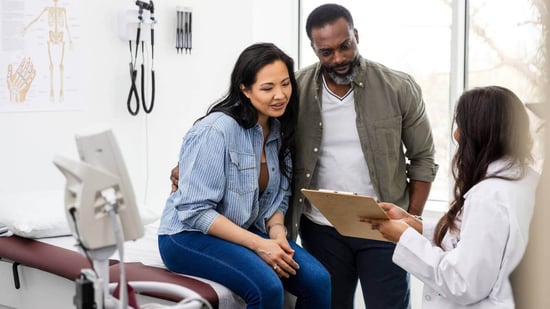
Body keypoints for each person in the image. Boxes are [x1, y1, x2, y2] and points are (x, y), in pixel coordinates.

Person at [171, 4, 438, 308]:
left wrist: (411, 221)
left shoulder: (398, 87)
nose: (337, 58)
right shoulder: (295, 91)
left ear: (357, 36)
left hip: (383, 226)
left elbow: (423, 160)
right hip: (321, 227)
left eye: (345, 46)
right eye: (326, 52)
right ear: (313, 48)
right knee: (326, 295)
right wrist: (186, 168)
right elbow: (231, 133)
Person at [158, 42, 331, 309]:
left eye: (285, 84)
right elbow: (194, 210)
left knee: (318, 281)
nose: (280, 95)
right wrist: (258, 245)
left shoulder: (279, 129)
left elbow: (279, 198)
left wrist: (277, 235)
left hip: (245, 230)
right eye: (267, 88)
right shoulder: (216, 131)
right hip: (186, 235)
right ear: (244, 88)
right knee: (267, 287)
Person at [365, 86, 539, 308]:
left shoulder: (489, 197)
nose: (456, 134)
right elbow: (475, 239)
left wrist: (405, 237)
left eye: (460, 124)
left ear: (476, 132)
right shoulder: (527, 181)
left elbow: (463, 283)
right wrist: (415, 226)